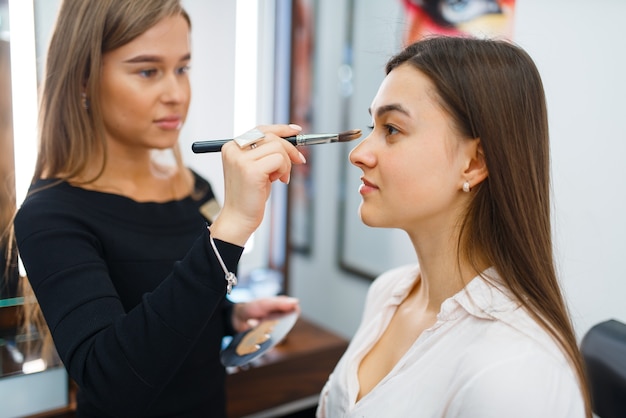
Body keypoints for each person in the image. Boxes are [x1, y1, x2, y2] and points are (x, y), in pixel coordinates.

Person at [13, 1, 305, 417]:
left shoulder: (192, 189)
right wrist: (232, 227)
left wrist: (230, 315)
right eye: (148, 71)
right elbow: (111, 380)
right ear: (83, 79)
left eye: (182, 68)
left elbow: (168, 312)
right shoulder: (51, 216)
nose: (176, 94)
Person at [316, 36, 591, 417]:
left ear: (474, 163)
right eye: (371, 126)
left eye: (391, 130)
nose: (359, 153)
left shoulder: (516, 369)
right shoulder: (388, 293)